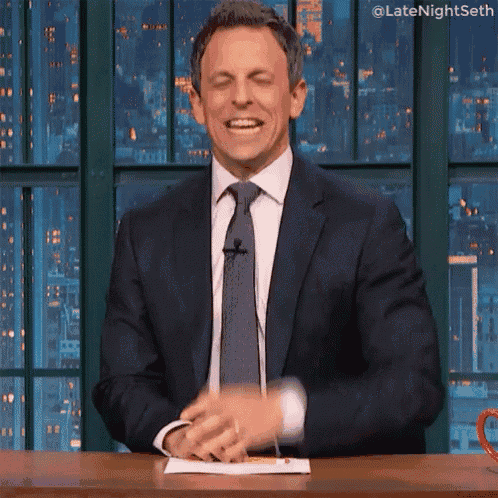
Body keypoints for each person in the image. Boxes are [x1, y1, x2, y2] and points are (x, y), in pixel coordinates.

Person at [92, 0, 444, 463]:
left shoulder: (366, 223)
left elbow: (413, 385)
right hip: (193, 481)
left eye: (260, 80)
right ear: (196, 103)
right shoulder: (146, 232)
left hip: (325, 484)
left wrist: (279, 413)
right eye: (222, 82)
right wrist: (177, 435)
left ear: (296, 96)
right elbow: (121, 383)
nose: (241, 98)